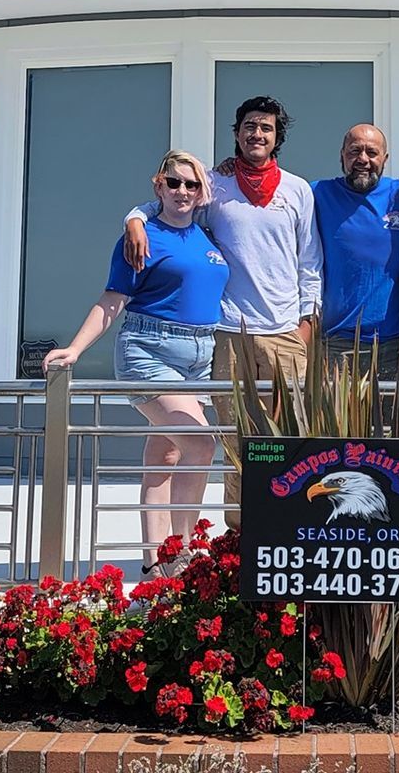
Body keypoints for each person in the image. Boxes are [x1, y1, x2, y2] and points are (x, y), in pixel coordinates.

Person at [124, 96, 321, 526]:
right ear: (237, 132)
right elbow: (166, 205)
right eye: (249, 126)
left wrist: (306, 323)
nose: (257, 134)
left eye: (266, 128)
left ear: (276, 137)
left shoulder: (297, 190)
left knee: (291, 437)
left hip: (285, 330)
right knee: (237, 437)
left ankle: (287, 526)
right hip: (229, 332)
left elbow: (310, 262)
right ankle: (240, 531)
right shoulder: (214, 185)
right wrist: (134, 219)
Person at [47, 151, 227, 569]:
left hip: (199, 358)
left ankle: (152, 565)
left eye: (192, 184)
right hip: (149, 350)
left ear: (202, 192)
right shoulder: (142, 236)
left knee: (165, 457)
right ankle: (183, 559)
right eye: (174, 182)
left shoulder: (207, 236)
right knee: (201, 445)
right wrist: (75, 349)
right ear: (158, 184)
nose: (183, 190)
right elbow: (113, 299)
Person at [313, 124, 399, 371]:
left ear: (385, 159)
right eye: (354, 151)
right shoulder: (316, 193)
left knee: (392, 413)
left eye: (372, 152)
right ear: (341, 155)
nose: (363, 159)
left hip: (394, 343)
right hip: (337, 343)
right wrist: (231, 169)